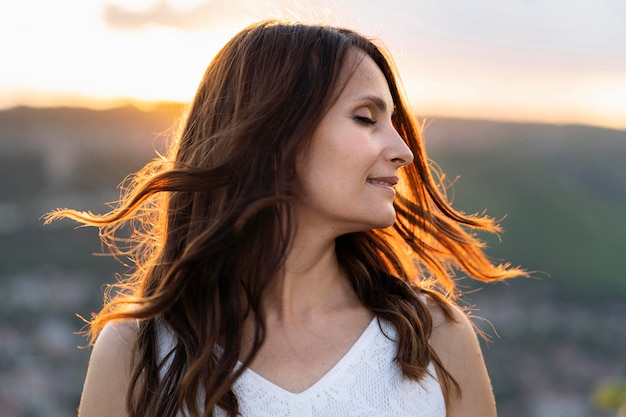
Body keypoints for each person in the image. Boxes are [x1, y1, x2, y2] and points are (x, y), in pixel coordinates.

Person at [46, 20, 526, 417]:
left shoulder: (433, 337)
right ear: (276, 135)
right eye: (366, 118)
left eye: (396, 124)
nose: (403, 151)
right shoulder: (140, 350)